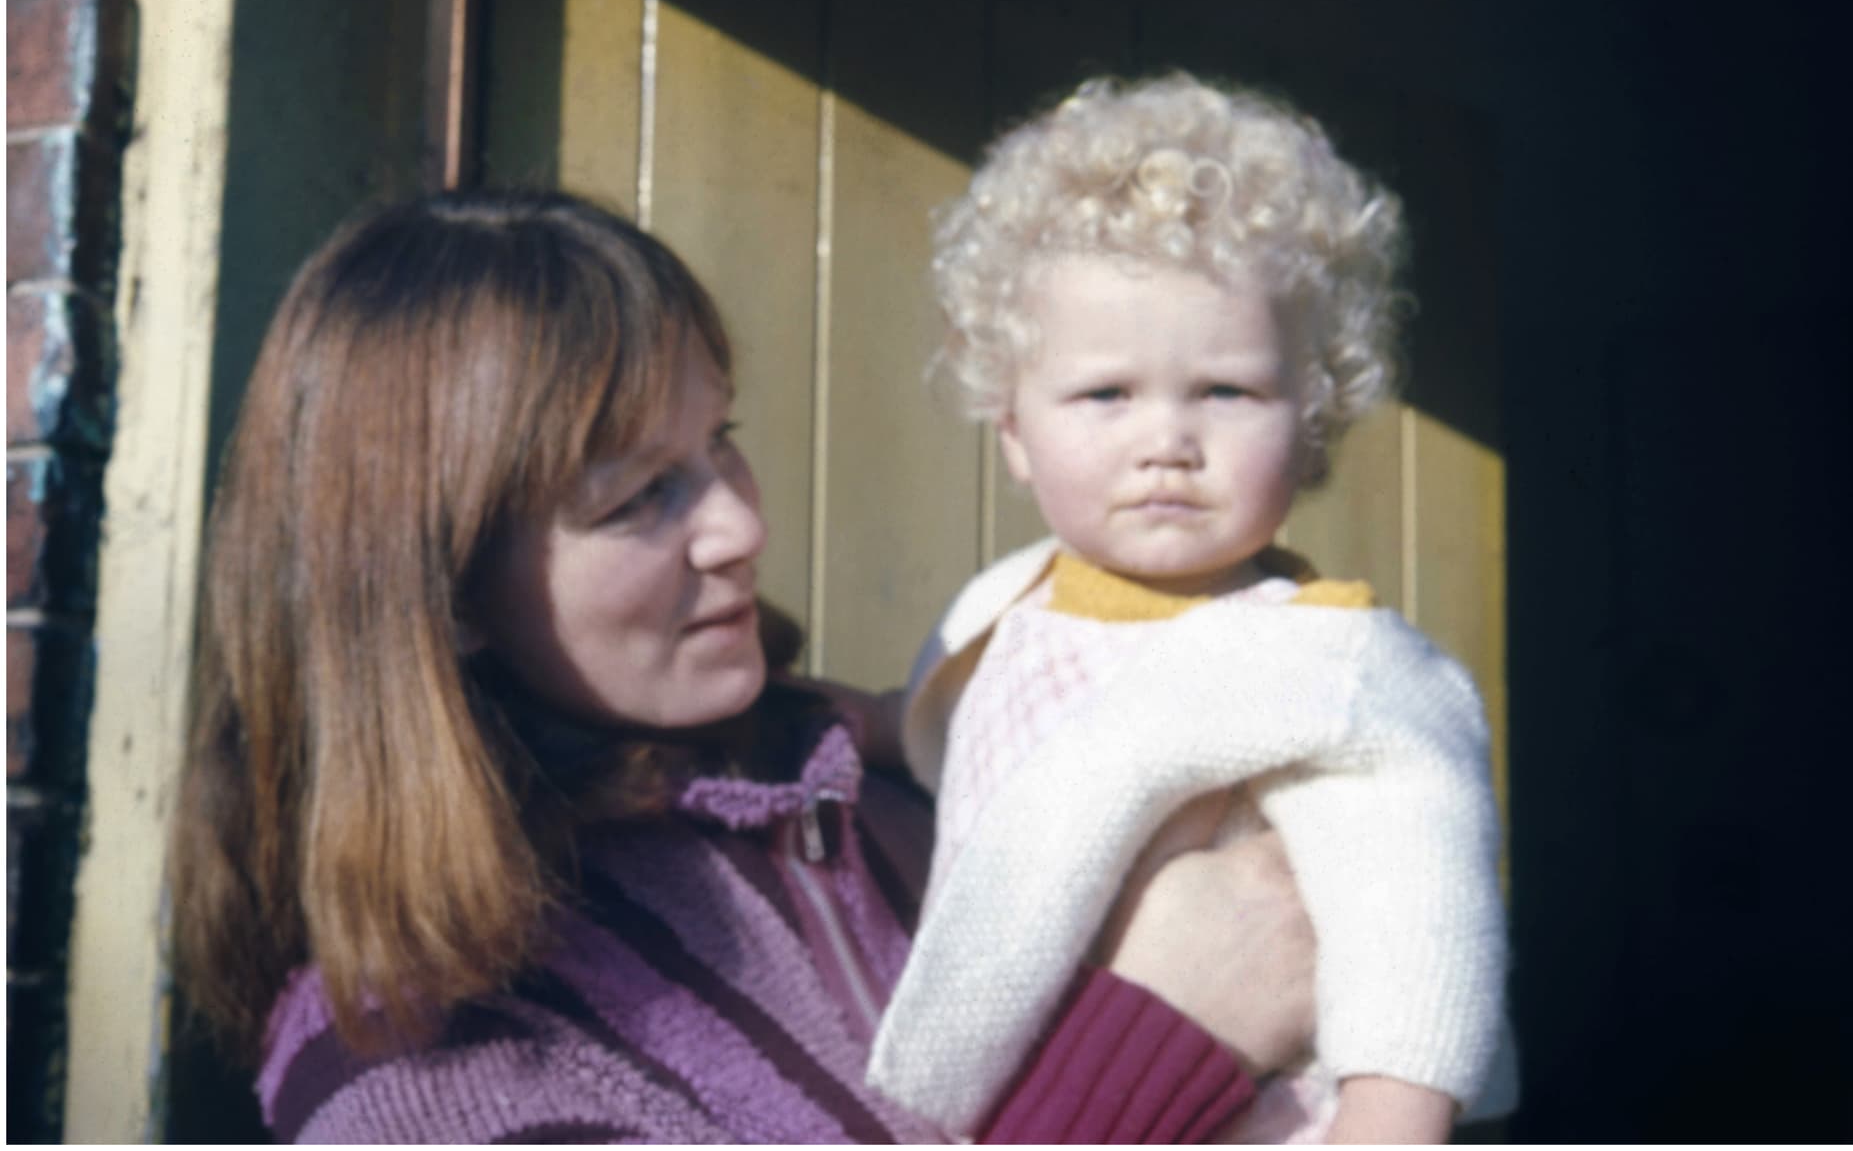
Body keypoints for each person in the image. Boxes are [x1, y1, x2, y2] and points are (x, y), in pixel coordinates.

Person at [167, 189, 1324, 1144]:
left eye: (720, 440)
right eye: (636, 495)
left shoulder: (899, 796)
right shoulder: (406, 1060)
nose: (739, 526)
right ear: (448, 591)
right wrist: (1160, 1041)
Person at [863, 75, 1511, 1142]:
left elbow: (1419, 918)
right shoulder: (1006, 600)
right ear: (1013, 429)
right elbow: (938, 711)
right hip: (1039, 1098)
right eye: (1106, 394)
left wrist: (1388, 1121)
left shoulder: (1329, 669)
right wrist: (862, 719)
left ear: (1313, 418)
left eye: (1226, 391)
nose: (1166, 439)